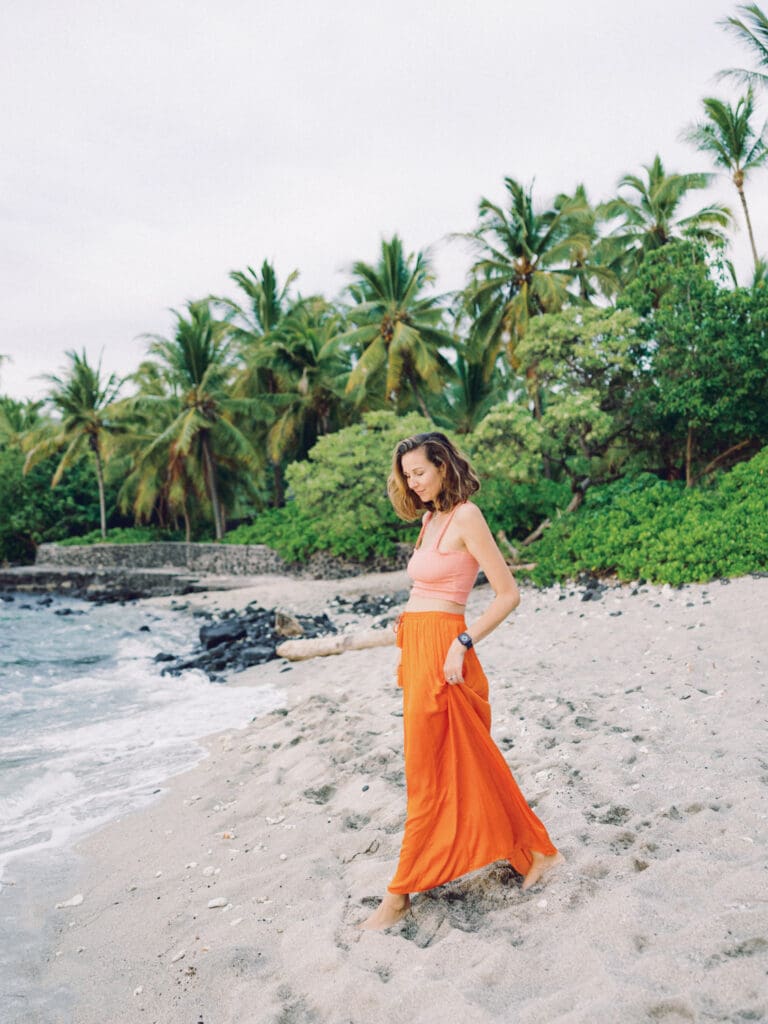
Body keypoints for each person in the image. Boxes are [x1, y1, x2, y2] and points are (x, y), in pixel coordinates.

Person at [360, 431, 563, 931]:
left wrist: (463, 642)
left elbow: (507, 594)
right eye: (406, 475)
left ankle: (400, 893)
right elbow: (426, 589)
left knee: (430, 775)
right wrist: (408, 641)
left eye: (420, 472)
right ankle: (535, 853)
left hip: (449, 652)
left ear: (443, 467)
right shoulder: (429, 520)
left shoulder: (467, 516)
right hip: (419, 649)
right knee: (454, 766)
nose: (413, 482)